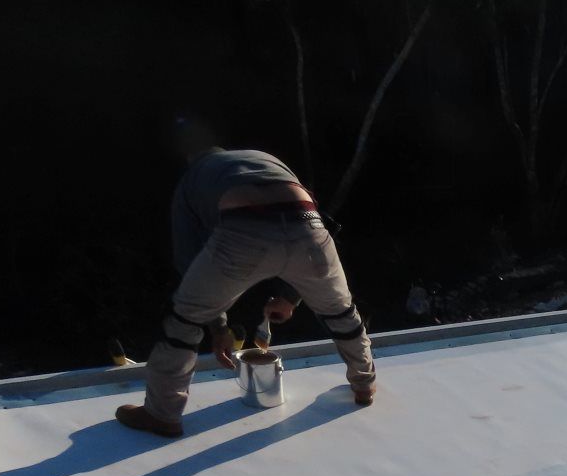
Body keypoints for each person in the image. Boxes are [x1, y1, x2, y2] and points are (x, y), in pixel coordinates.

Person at [116, 117, 377, 438]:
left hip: (243, 232)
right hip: (310, 229)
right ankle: (364, 384)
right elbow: (300, 222)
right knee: (341, 312)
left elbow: (189, 258)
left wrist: (219, 328)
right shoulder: (263, 159)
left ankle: (162, 413)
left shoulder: (192, 180)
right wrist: (291, 296)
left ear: (187, 156)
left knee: (183, 321)